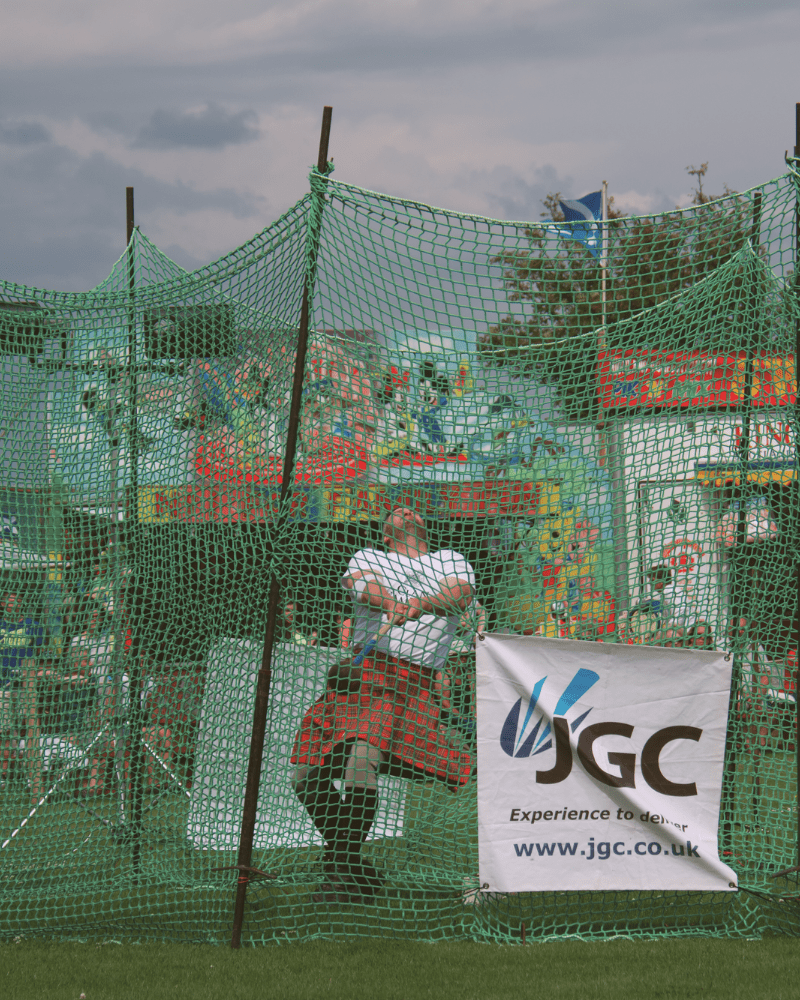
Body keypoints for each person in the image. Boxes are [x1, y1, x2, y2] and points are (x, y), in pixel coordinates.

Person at [291, 506, 476, 903]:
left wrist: (421, 604)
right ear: (384, 529)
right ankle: (355, 868)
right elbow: (363, 586)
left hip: (410, 682)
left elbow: (460, 593)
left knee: (361, 760)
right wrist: (390, 602)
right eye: (394, 509)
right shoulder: (369, 556)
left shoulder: (449, 560)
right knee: (305, 774)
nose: (404, 510)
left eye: (411, 508)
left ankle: (339, 873)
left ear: (425, 525)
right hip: (364, 675)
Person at [1, 590, 44, 790]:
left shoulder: (33, 627)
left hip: (27, 687)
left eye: (16, 598)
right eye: (7, 600)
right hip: (3, 686)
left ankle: (31, 778)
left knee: (28, 731)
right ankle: (4, 775)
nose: (12, 602)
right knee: (6, 732)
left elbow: (41, 654)